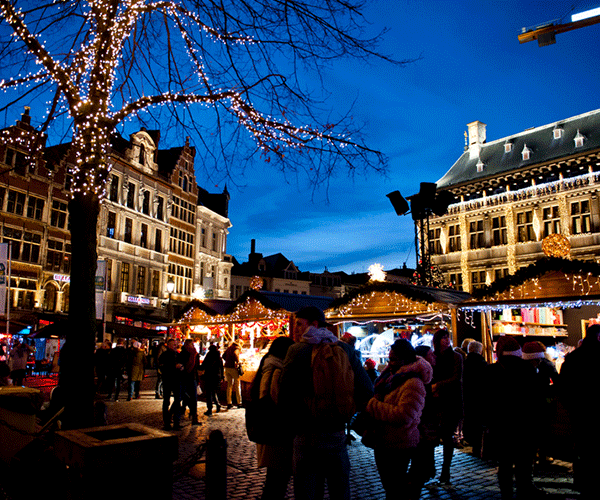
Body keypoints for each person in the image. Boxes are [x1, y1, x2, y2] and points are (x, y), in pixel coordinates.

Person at [279, 306, 373, 500]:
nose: (295, 329)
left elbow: (284, 395)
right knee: (339, 492)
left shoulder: (296, 350)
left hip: (306, 434)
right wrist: (345, 409)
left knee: (307, 493)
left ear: (313, 324)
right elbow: (366, 389)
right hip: (336, 433)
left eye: (299, 324)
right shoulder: (344, 348)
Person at [364, 339, 432, 500]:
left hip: (400, 443)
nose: (390, 363)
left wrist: (373, 405)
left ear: (405, 359)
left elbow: (404, 415)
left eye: (394, 359)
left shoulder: (412, 383)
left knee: (395, 487)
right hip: (383, 441)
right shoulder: (390, 378)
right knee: (389, 486)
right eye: (389, 359)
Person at [486, 335, 546, 500]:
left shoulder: (492, 371)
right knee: (524, 463)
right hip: (525, 425)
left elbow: (487, 400)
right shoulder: (528, 369)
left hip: (502, 425)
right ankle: (524, 490)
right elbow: (536, 400)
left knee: (504, 464)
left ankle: (506, 495)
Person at [248, 336, 295, 500]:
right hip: (276, 433)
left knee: (275, 479)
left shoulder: (268, 365)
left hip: (271, 432)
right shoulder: (276, 369)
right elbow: (276, 401)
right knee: (277, 481)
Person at [559, 324, 600, 500]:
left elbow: (563, 387)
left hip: (579, 411)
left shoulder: (572, 357)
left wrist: (571, 406)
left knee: (582, 448)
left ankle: (582, 484)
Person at [431, 329, 463, 484]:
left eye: (447, 337)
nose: (446, 340)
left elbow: (456, 378)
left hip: (451, 401)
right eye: (443, 338)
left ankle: (446, 470)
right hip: (435, 402)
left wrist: (438, 386)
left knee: (447, 436)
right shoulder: (433, 356)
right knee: (432, 436)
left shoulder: (456, 357)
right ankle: (430, 469)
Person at [522, 340, 558, 466]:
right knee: (544, 429)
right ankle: (543, 454)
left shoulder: (520, 367)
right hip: (543, 401)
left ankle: (532, 455)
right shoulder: (547, 364)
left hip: (526, 404)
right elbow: (557, 382)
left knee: (530, 431)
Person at [409, 345, 439, 494]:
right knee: (420, 462)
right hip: (422, 427)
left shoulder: (426, 375)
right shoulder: (422, 378)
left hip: (424, 426)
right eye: (430, 355)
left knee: (421, 461)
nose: (434, 357)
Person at [462, 340, 488, 458]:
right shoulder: (483, 364)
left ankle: (471, 442)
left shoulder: (464, 363)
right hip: (480, 397)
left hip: (467, 396)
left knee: (470, 420)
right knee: (479, 423)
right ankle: (478, 447)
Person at [159, 338, 182, 430]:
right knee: (166, 401)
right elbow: (162, 367)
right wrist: (174, 366)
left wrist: (181, 367)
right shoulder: (164, 355)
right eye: (173, 344)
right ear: (168, 345)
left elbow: (181, 363)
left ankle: (176, 421)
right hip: (168, 380)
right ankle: (167, 422)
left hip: (177, 380)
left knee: (178, 400)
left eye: (175, 344)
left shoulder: (178, 354)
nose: (175, 346)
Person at [178, 338, 200, 424]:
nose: (193, 346)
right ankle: (193, 415)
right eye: (192, 344)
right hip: (190, 377)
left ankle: (189, 412)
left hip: (186, 377)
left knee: (184, 396)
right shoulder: (194, 354)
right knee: (191, 397)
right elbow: (196, 367)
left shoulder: (183, 353)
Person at [201, 343, 224, 415]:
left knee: (209, 393)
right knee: (213, 392)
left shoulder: (209, 355)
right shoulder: (219, 357)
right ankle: (217, 404)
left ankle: (210, 409)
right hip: (217, 376)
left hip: (209, 376)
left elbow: (204, 365)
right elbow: (222, 368)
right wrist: (222, 377)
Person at [223, 339, 243, 409]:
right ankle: (239, 402)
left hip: (227, 368)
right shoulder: (236, 348)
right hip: (233, 368)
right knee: (237, 385)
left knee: (229, 385)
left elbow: (223, 356)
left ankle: (229, 402)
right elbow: (235, 354)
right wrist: (237, 362)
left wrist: (228, 361)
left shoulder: (229, 348)